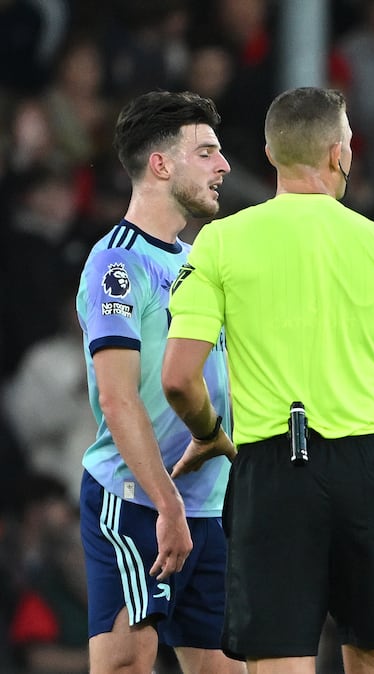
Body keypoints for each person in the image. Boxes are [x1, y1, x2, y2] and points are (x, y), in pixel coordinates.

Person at [160, 86, 374, 674]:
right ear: (338, 153)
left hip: (271, 470)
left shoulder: (220, 241)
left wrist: (207, 432)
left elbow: (179, 378)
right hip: (367, 470)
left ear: (271, 155)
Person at [75, 90, 241, 674]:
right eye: (207, 152)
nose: (223, 166)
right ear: (161, 164)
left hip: (205, 506)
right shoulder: (117, 264)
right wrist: (166, 504)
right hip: (138, 502)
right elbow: (118, 399)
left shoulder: (200, 262)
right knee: (126, 663)